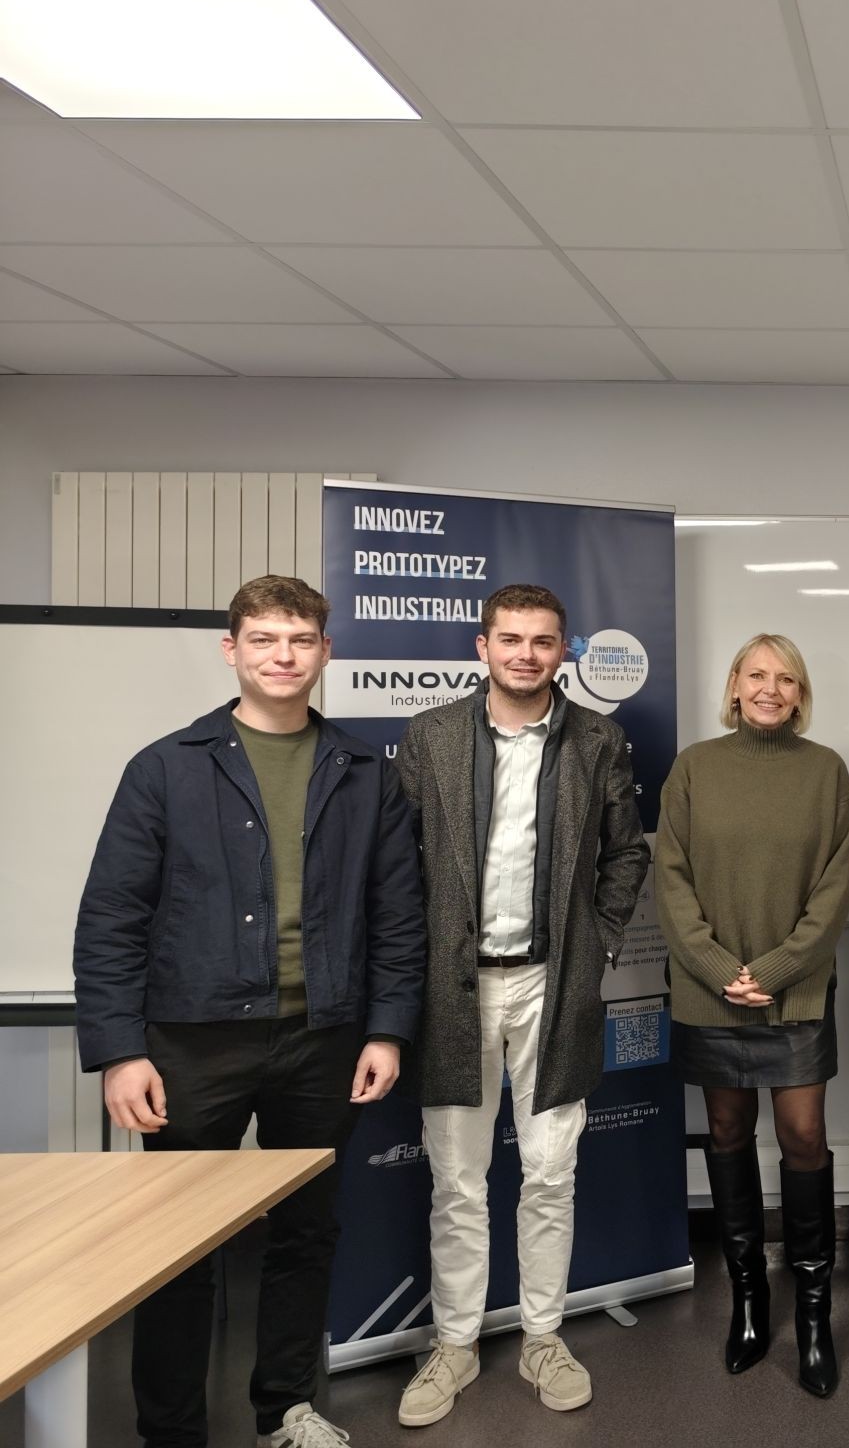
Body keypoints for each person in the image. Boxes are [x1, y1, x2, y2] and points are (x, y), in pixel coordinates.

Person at [74, 575, 425, 1448]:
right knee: (179, 1246)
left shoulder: (364, 774)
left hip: (324, 1039)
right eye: (264, 639)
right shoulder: (165, 767)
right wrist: (120, 1050)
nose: (283, 656)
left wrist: (386, 1030)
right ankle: (172, 1431)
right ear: (232, 649)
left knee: (305, 1234)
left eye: (301, 640)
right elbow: (112, 916)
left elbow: (398, 916)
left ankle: (285, 1410)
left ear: (326, 652)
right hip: (192, 1044)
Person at [392, 584, 650, 1425]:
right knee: (457, 1182)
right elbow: (395, 863)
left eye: (543, 641)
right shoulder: (430, 737)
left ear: (563, 651)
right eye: (510, 639)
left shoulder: (598, 740)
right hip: (452, 987)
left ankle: (543, 1337)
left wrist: (598, 943)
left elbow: (626, 855)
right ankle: (455, 1345)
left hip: (554, 982)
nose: (526, 655)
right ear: (483, 646)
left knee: (550, 1173)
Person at [655, 634, 849, 1398]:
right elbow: (670, 878)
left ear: (800, 693)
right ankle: (748, 1301)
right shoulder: (694, 769)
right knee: (729, 1131)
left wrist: (772, 972)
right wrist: (719, 971)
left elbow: (835, 890)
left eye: (786, 678)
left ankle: (813, 1313)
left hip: (794, 993)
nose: (771, 688)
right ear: (735, 685)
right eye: (757, 675)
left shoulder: (826, 773)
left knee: (803, 1136)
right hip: (710, 993)